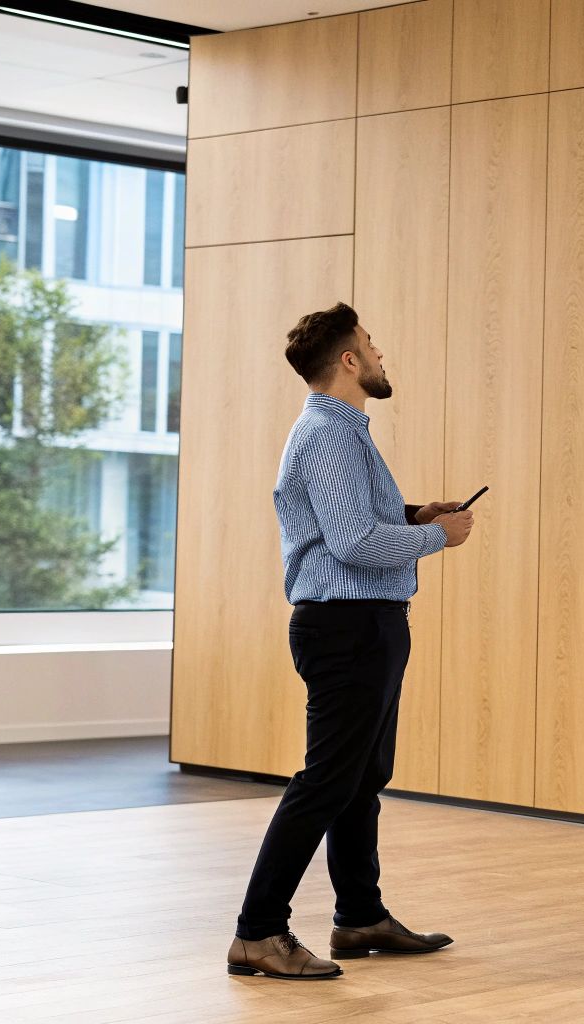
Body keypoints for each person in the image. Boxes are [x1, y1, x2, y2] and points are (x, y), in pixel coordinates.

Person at [226, 302, 473, 981]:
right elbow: (353, 542)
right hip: (348, 625)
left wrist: (414, 513)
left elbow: (358, 518)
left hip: (367, 623)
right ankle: (258, 932)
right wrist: (436, 537)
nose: (381, 354)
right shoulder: (331, 434)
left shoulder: (342, 432)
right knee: (327, 781)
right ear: (348, 360)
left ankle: (360, 917)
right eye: (371, 344)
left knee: (361, 778)